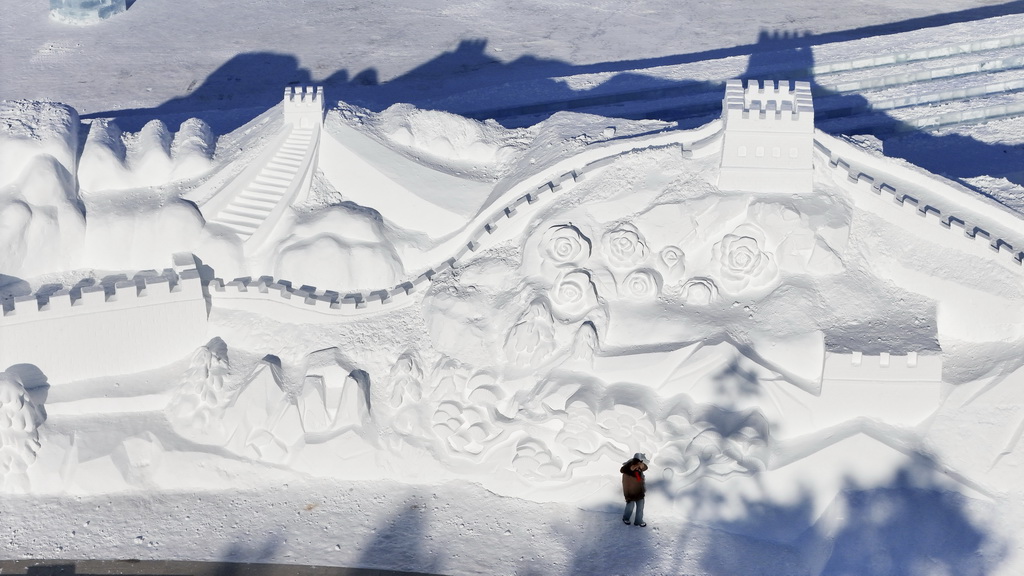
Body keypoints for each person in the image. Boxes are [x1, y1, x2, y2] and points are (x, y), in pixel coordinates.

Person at [620, 452, 649, 527]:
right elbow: (624, 469)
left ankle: (638, 521)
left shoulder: (639, 470)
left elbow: (645, 468)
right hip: (630, 492)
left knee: (640, 506)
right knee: (630, 506)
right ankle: (625, 518)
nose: (638, 467)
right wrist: (633, 466)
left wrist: (641, 465)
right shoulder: (628, 468)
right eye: (637, 464)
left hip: (639, 491)